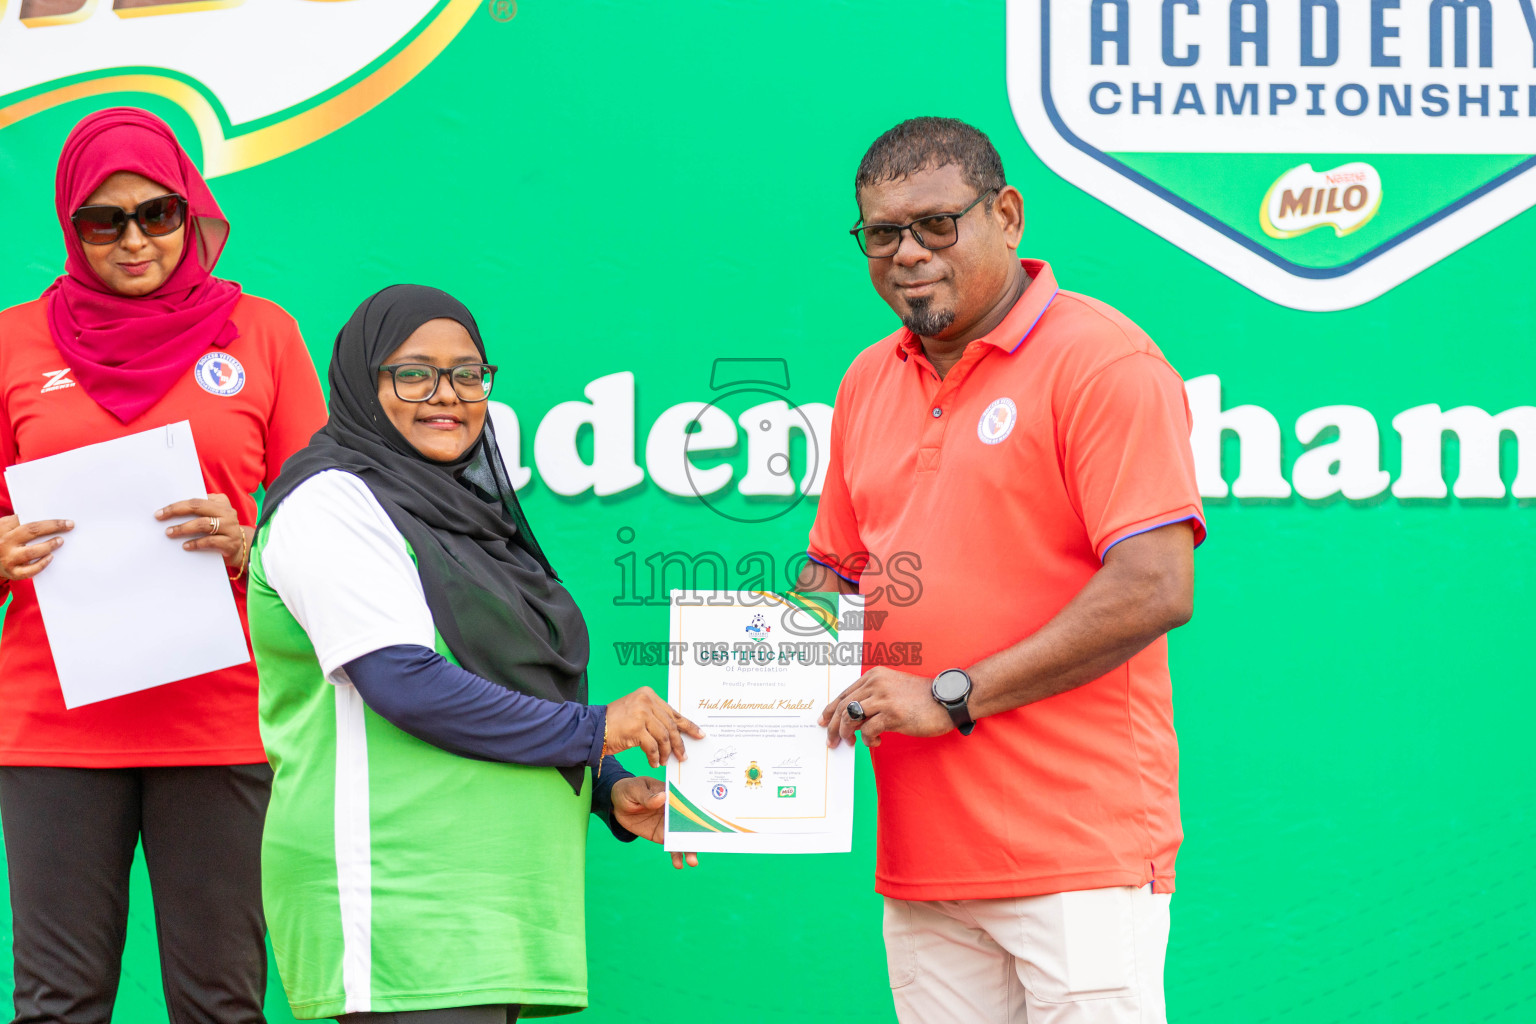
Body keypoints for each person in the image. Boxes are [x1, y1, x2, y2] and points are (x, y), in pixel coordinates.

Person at [800, 117, 1205, 1024]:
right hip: (924, 865)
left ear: (1008, 216)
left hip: (1077, 860)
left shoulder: (1103, 361)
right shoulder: (868, 379)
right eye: (881, 233)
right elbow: (832, 583)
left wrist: (951, 696)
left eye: (935, 224)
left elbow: (1154, 584)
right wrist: (732, 757)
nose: (907, 253)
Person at [249, 284, 703, 1024]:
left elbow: (509, 680)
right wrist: (595, 732)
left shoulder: (462, 513)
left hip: (492, 903)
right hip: (403, 896)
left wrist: (609, 786)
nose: (447, 395)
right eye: (414, 372)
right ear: (365, 384)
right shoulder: (330, 504)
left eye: (468, 374)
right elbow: (404, 683)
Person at [0, 107, 328, 1023]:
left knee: (220, 1004)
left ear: (192, 213)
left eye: (157, 212)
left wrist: (249, 541)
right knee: (56, 1005)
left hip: (220, 721)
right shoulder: (11, 343)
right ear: (71, 226)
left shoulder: (262, 335)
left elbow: (331, 533)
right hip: (53, 724)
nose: (134, 239)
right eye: (104, 221)